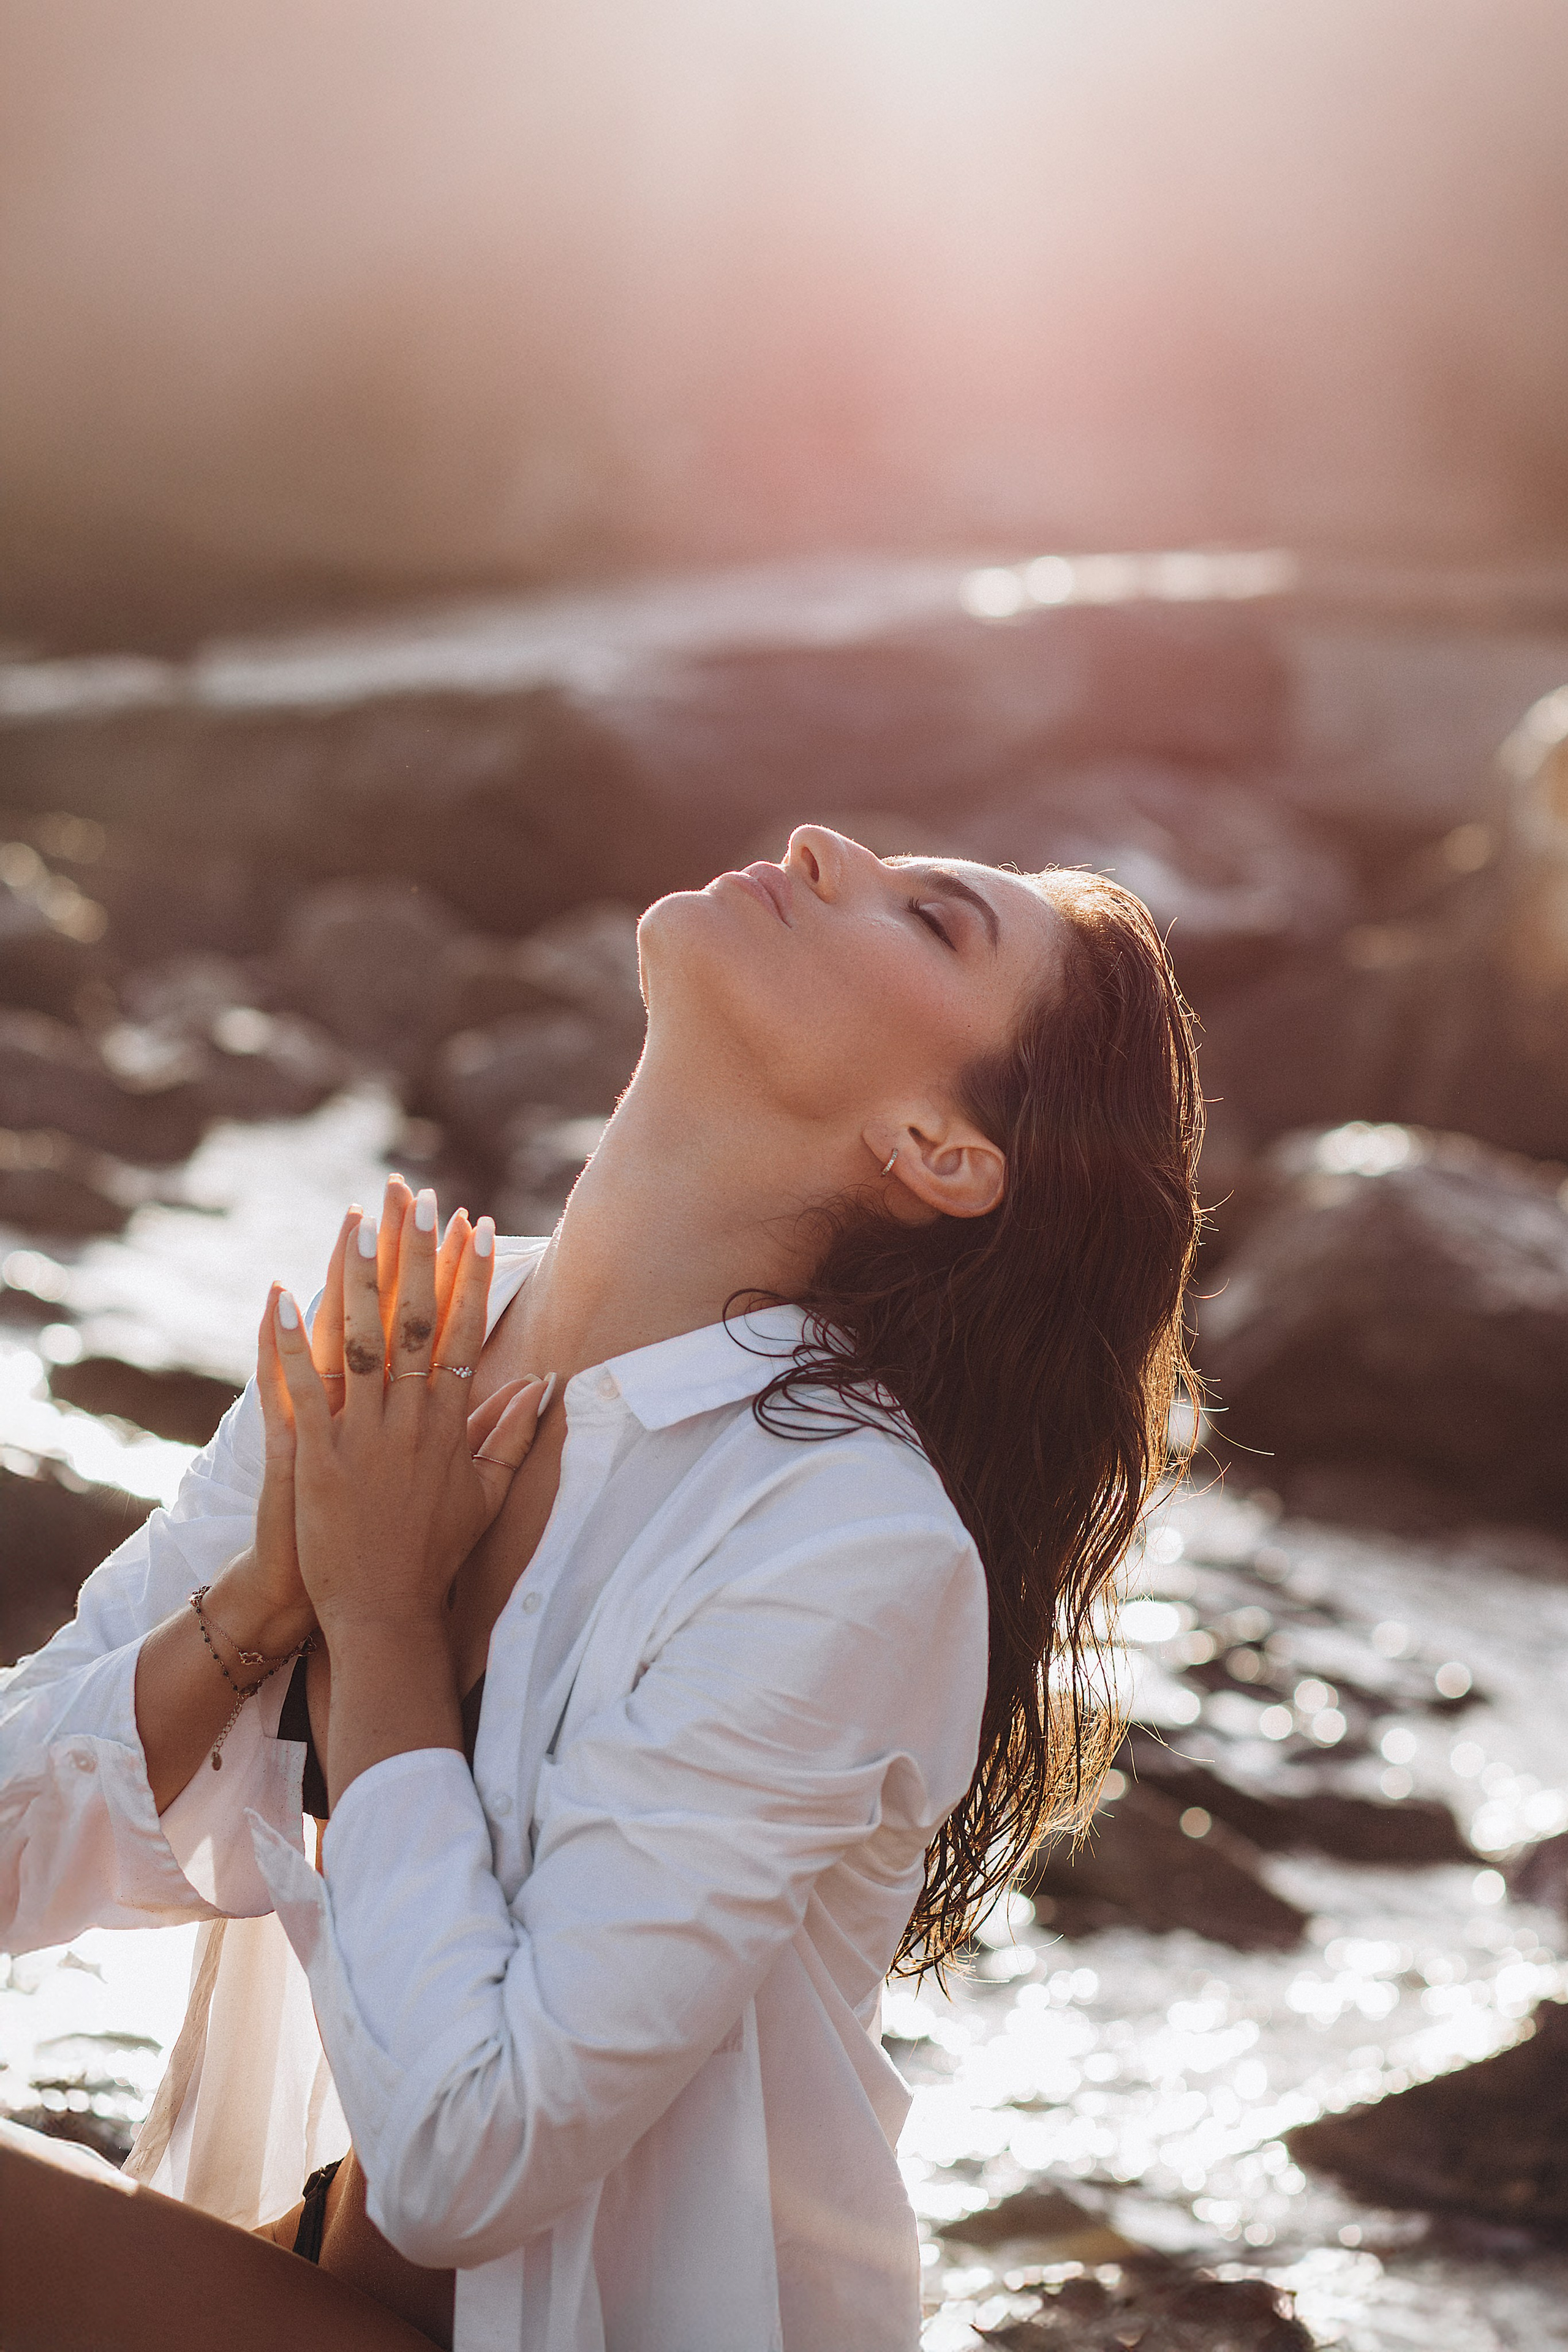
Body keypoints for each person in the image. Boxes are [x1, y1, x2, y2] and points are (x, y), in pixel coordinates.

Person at [0, 827, 1202, 2352]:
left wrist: (378, 1628)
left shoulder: (843, 1548)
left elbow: (467, 2167)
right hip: (295, 2272)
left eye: (930, 919)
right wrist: (268, 1598)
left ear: (935, 1149)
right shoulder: (416, 1332)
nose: (824, 844)